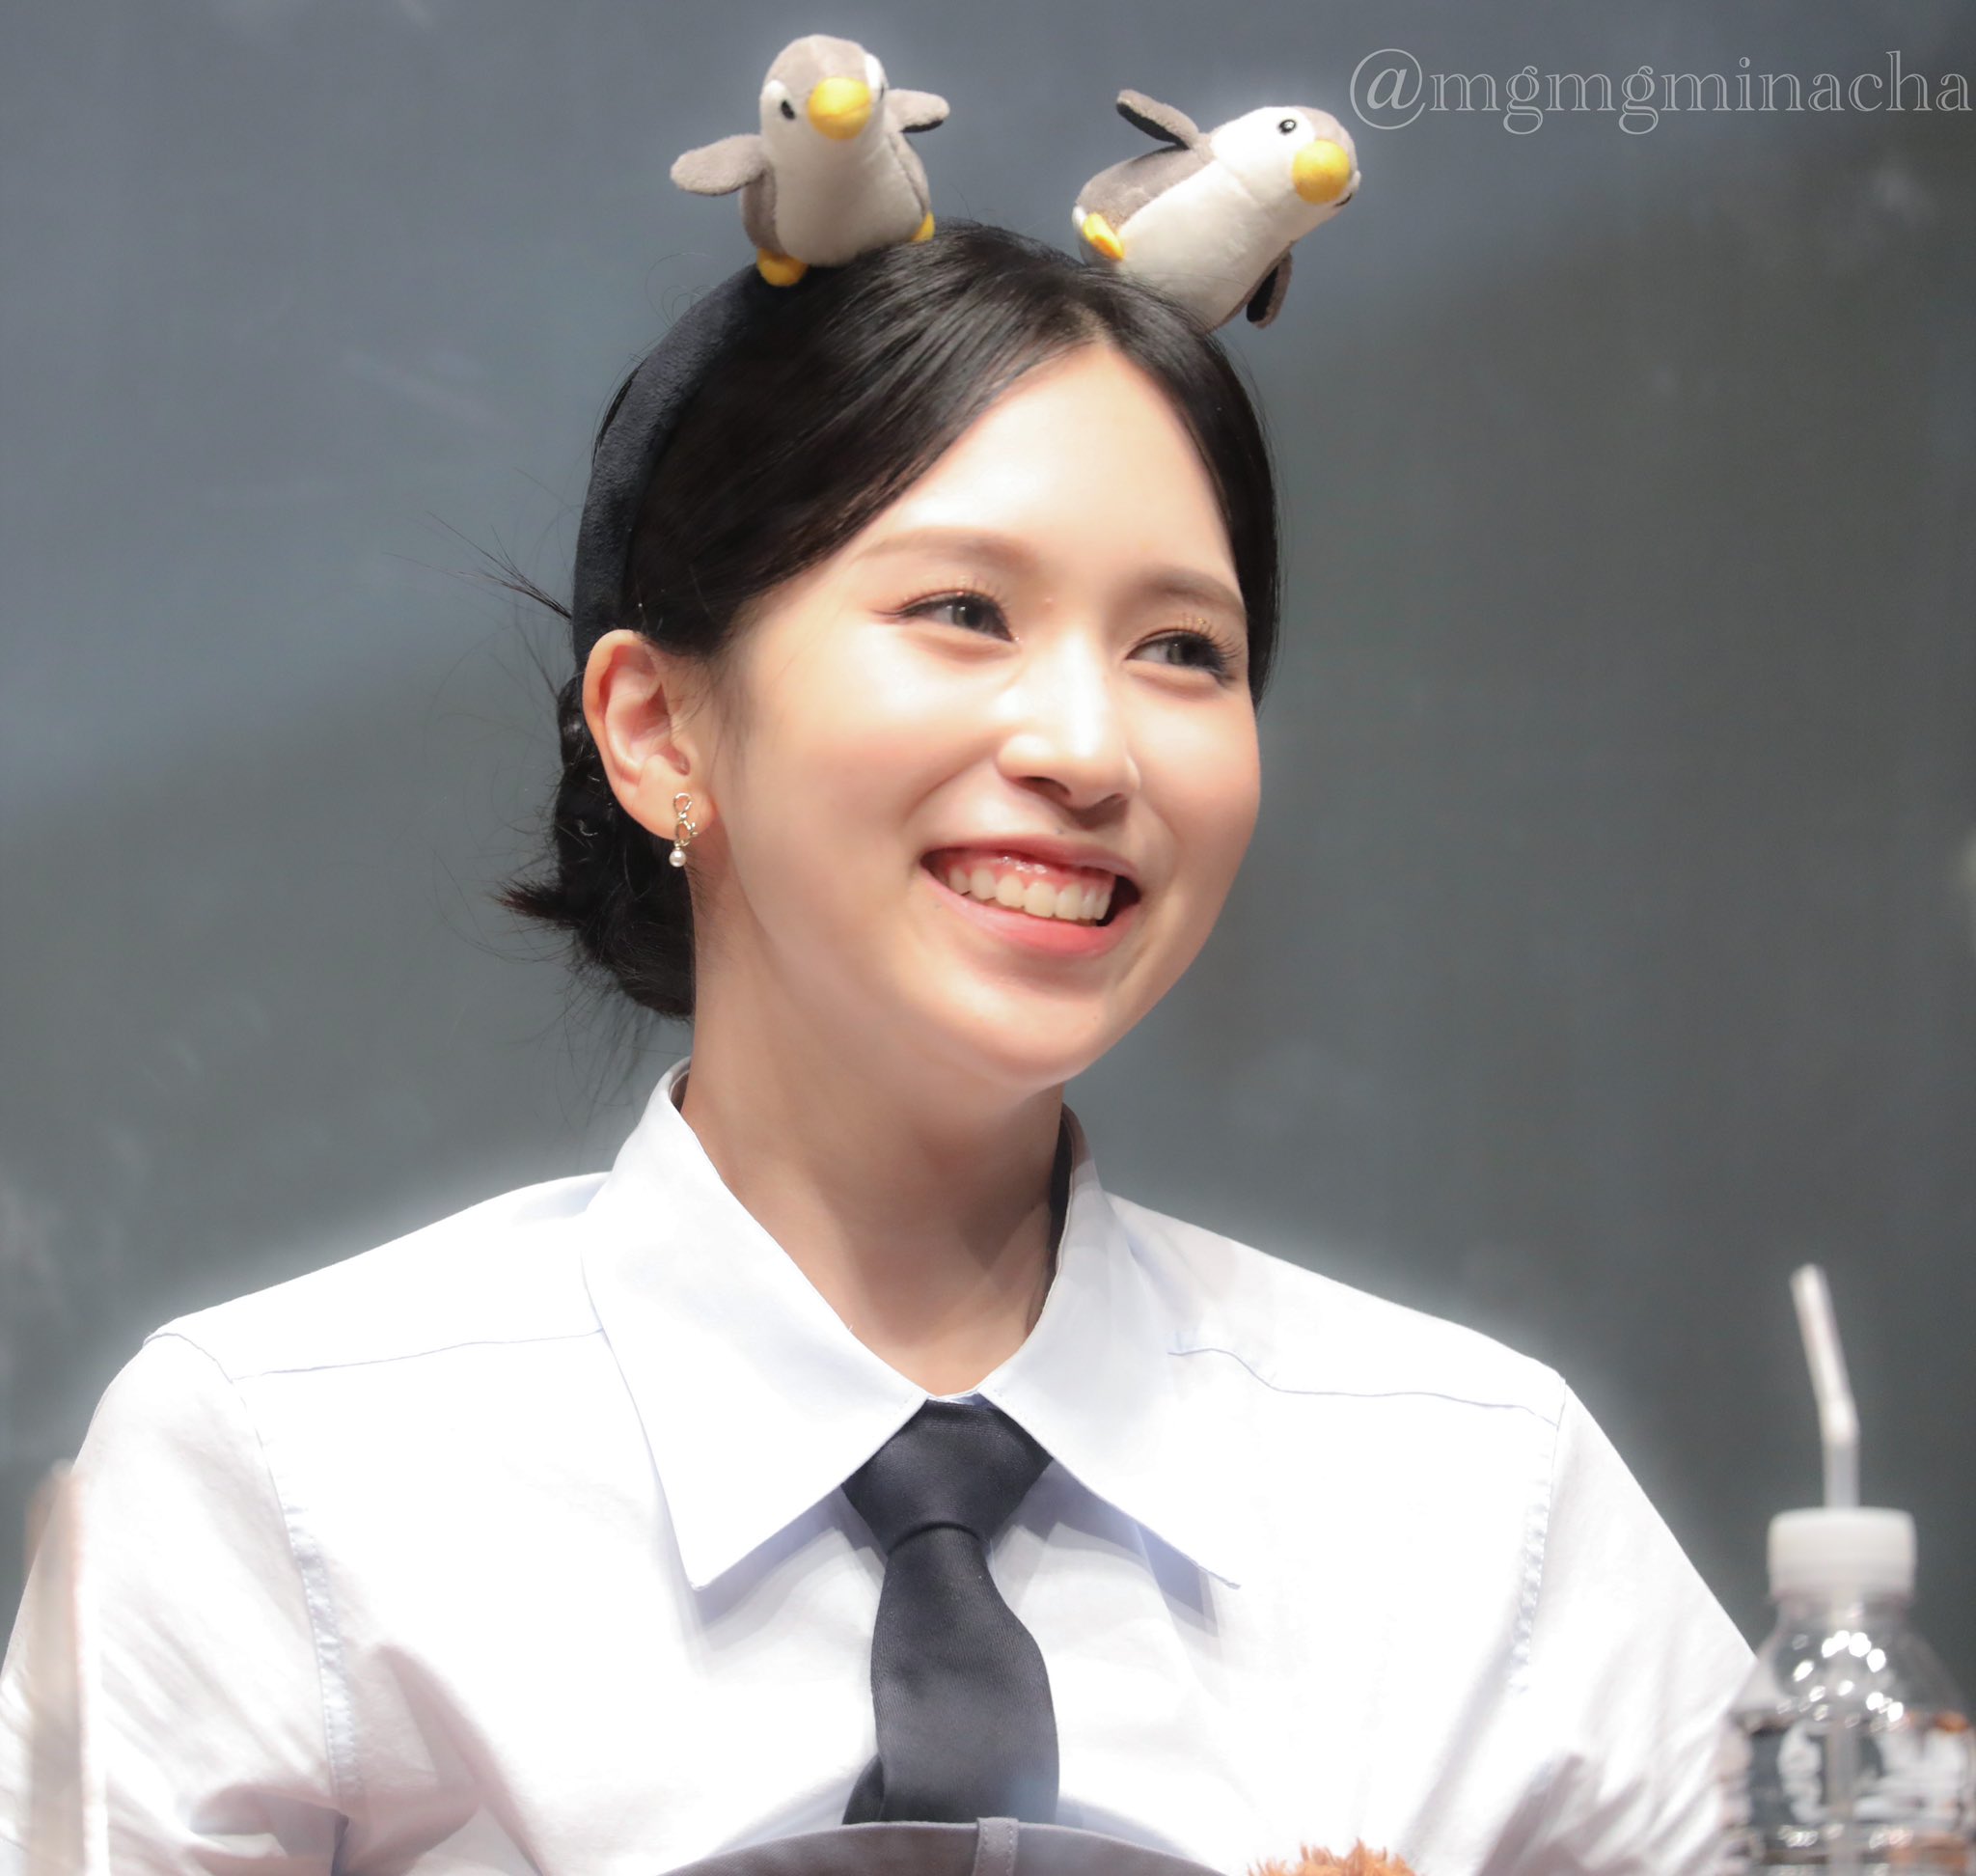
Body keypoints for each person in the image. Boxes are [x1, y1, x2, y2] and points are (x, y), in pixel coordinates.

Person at [0, 219, 1750, 1876]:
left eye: (1183, 650)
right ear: (657, 729)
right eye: (963, 612)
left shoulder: (1475, 1491)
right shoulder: (292, 1471)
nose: (1087, 748)